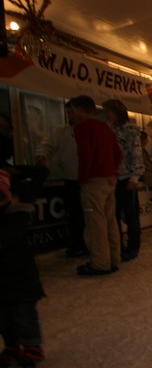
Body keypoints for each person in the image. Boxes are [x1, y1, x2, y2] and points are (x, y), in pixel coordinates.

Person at [70, 95, 123, 276]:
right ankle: (114, 258)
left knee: (95, 224)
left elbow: (86, 155)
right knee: (110, 221)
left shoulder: (82, 128)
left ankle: (100, 263)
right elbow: (118, 155)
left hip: (94, 182)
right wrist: (111, 171)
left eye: (73, 111)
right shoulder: (105, 128)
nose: (71, 115)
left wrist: (83, 179)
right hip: (109, 181)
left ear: (80, 109)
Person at [0, 166, 46, 368]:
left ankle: (31, 344)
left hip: (21, 278)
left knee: (23, 313)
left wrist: (13, 170)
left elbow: (8, 238)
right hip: (3, 281)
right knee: (4, 317)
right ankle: (11, 344)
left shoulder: (16, 214)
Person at [35, 104, 89, 258]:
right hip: (70, 178)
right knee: (74, 214)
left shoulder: (90, 129)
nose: (70, 115)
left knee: (88, 214)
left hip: (89, 179)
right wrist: (41, 155)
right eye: (68, 112)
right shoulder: (61, 131)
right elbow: (46, 146)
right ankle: (77, 244)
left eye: (73, 112)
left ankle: (89, 244)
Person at [103, 100, 144, 262]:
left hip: (127, 177)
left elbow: (136, 153)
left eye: (109, 111)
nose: (107, 114)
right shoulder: (109, 129)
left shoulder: (131, 130)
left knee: (131, 214)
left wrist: (135, 177)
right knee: (113, 214)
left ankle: (133, 246)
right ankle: (117, 245)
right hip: (113, 178)